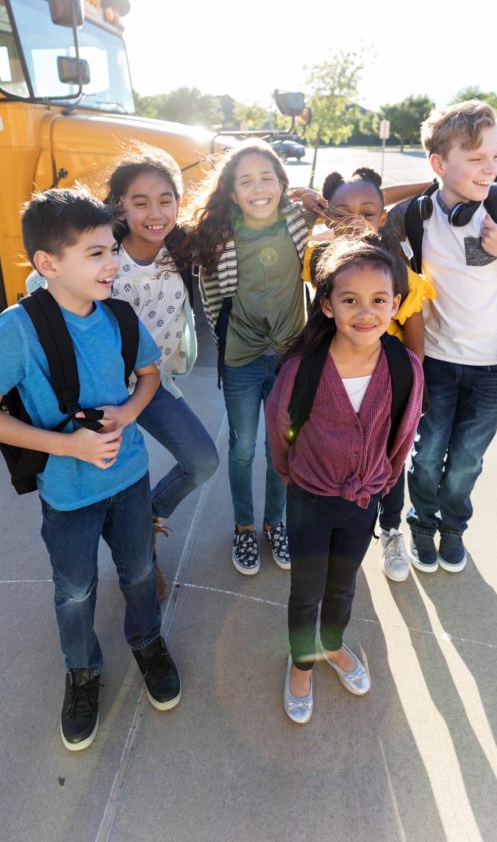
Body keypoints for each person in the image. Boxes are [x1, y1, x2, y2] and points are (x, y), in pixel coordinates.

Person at [0, 188, 181, 752]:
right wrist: (70, 449)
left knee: (137, 573)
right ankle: (82, 672)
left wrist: (129, 412)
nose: (112, 264)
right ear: (48, 264)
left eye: (112, 250)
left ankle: (148, 641)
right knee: (76, 590)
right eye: (95, 253)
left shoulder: (119, 317)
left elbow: (149, 376)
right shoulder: (19, 328)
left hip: (129, 480)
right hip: (67, 493)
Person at [383, 100, 497, 574]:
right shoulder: (415, 216)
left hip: (493, 365)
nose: (491, 168)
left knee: (464, 462)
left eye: (496, 157)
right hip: (435, 359)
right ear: (439, 164)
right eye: (477, 158)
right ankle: (421, 525)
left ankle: (453, 528)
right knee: (426, 456)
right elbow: (367, 210)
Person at [266, 236, 424, 723]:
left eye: (379, 301)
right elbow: (280, 433)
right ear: (328, 304)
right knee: (306, 590)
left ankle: (332, 646)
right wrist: (299, 478)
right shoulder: (301, 370)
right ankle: (301, 666)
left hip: (363, 500)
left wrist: (380, 481)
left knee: (343, 586)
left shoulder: (405, 368)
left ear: (395, 304)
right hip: (310, 498)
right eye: (349, 299)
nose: (365, 312)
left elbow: (402, 436)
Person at [296, 166, 435, 583]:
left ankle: (390, 529)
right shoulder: (316, 259)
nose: (355, 221)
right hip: (333, 384)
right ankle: (328, 526)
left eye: (368, 211)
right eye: (342, 211)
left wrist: (412, 393)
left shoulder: (401, 275)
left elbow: (414, 338)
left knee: (388, 460)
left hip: (384, 387)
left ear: (383, 217)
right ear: (326, 215)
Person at [185, 139, 310, 575]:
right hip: (242, 361)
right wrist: (230, 346)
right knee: (241, 449)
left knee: (282, 445)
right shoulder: (219, 237)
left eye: (266, 177)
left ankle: (276, 524)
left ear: (281, 183)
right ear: (232, 192)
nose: (258, 188)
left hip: (291, 357)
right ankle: (243, 528)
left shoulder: (298, 222)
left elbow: (351, 215)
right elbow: (212, 301)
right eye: (245, 181)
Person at [105, 149, 220, 595]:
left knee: (202, 461)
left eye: (165, 199)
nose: (155, 213)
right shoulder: (104, 255)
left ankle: (147, 521)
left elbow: (246, 228)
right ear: (120, 206)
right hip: (104, 391)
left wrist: (304, 203)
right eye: (140, 202)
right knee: (121, 482)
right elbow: (46, 285)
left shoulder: (181, 248)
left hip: (153, 382)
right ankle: (139, 557)